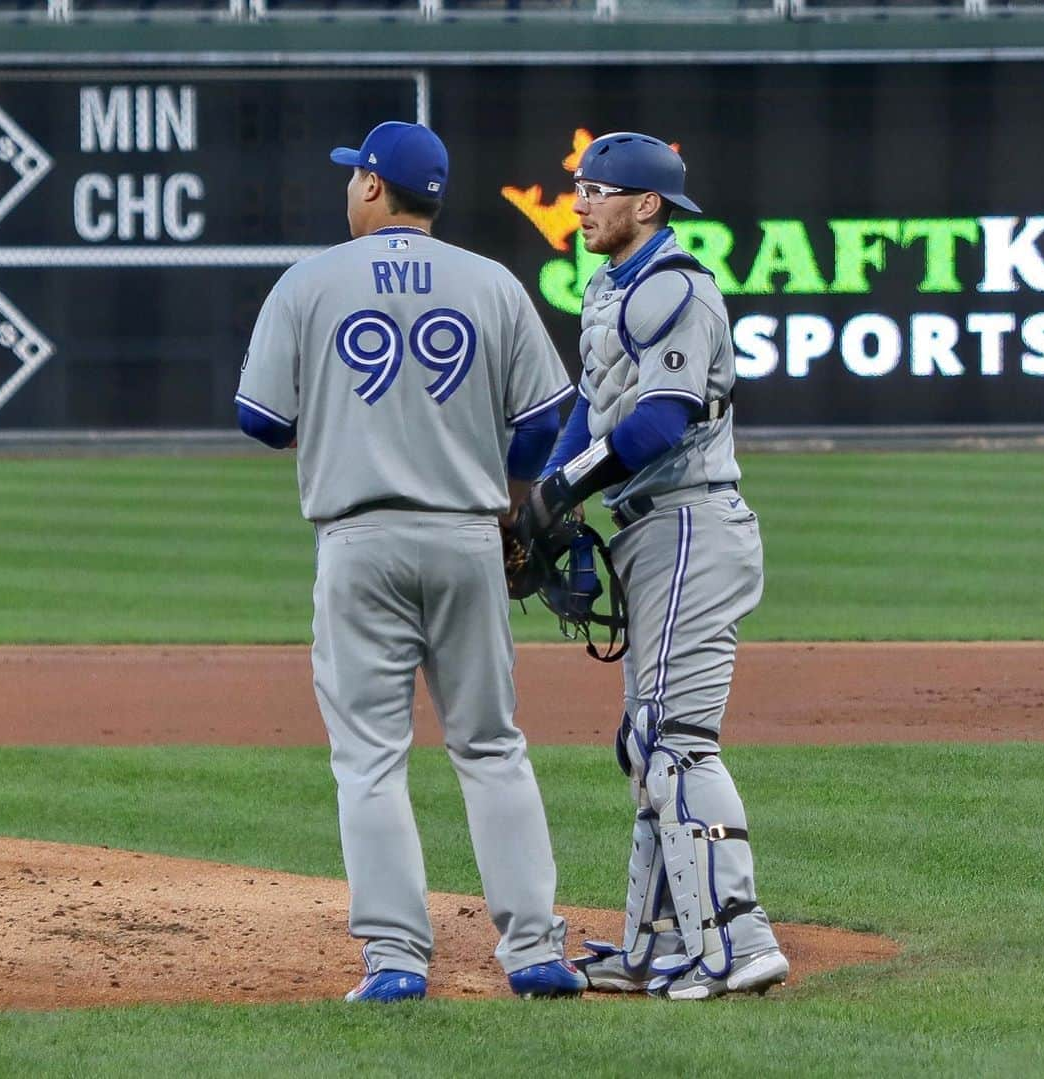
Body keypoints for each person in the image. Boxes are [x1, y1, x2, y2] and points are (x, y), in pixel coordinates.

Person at [234, 120, 586, 1003]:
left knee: (370, 758)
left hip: (359, 543)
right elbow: (545, 419)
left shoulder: (310, 283)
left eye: (355, 174)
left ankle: (395, 961)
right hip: (468, 536)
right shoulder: (493, 282)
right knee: (493, 746)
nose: (349, 185)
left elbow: (261, 421)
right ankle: (535, 951)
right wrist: (511, 504)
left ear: (371, 187)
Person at [526, 131, 789, 1000]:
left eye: (597, 190)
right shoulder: (611, 288)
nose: (581, 203)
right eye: (580, 189)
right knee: (648, 743)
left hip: (690, 524)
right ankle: (656, 942)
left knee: (676, 740)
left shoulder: (675, 287)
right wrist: (539, 495)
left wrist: (560, 490)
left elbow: (657, 424)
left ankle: (741, 940)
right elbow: (595, 409)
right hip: (654, 527)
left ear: (647, 205)